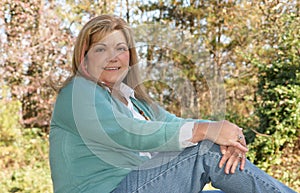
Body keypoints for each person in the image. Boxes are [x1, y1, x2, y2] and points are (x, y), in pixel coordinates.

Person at [49, 14, 296, 193]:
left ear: (130, 55)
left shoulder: (133, 100)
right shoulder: (77, 93)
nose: (113, 57)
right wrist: (206, 131)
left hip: (141, 184)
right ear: (84, 57)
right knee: (204, 150)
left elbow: (174, 123)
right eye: (101, 49)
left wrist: (227, 134)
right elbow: (127, 133)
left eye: (120, 48)